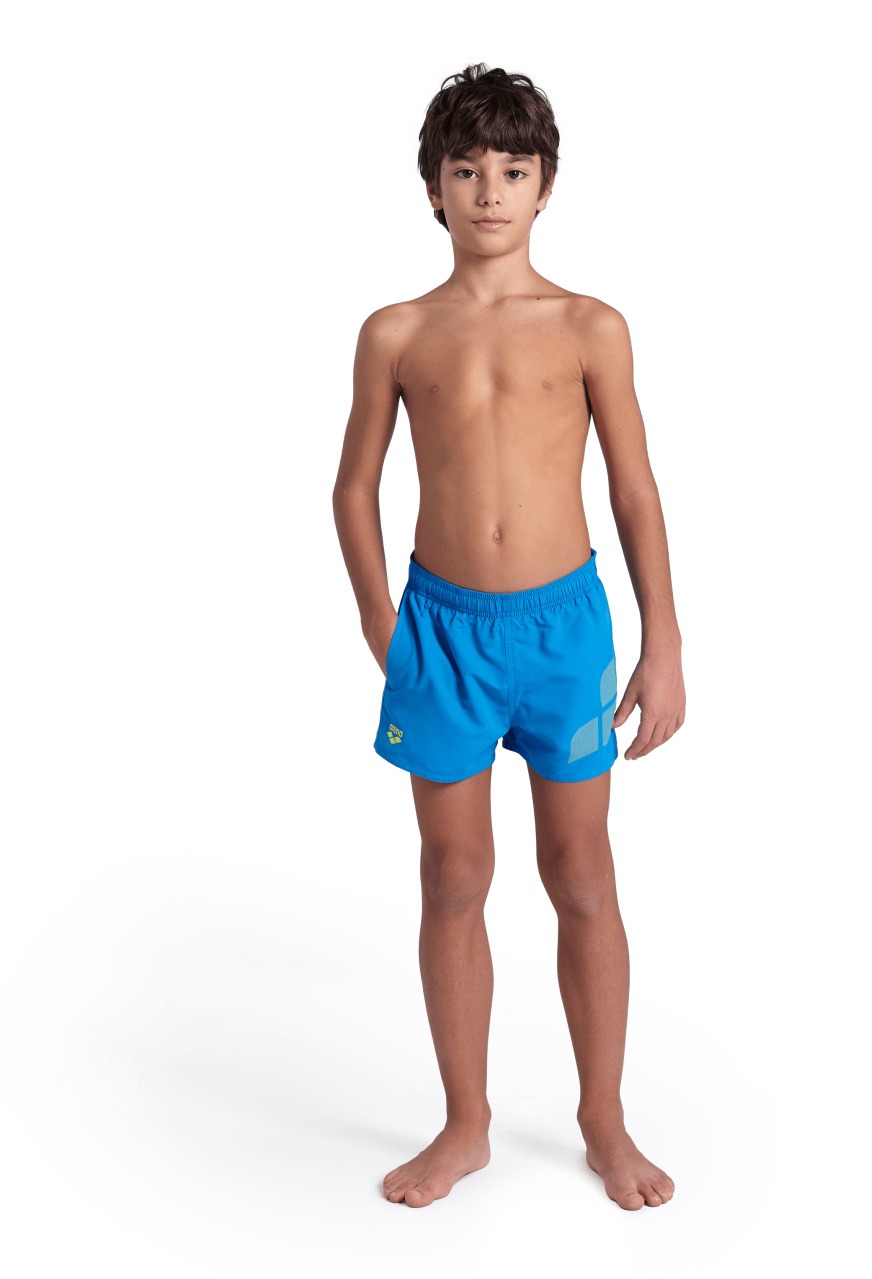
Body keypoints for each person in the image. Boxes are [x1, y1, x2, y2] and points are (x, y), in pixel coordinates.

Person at [332, 63, 684, 1210]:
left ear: (547, 187)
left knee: (580, 869)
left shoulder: (590, 325)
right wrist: (383, 621)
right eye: (468, 169)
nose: (490, 190)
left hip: (563, 632)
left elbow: (634, 489)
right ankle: (467, 1121)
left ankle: (604, 1117)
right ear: (433, 187)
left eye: (514, 171)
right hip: (441, 630)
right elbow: (352, 487)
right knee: (453, 873)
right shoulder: (395, 331)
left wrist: (665, 640)